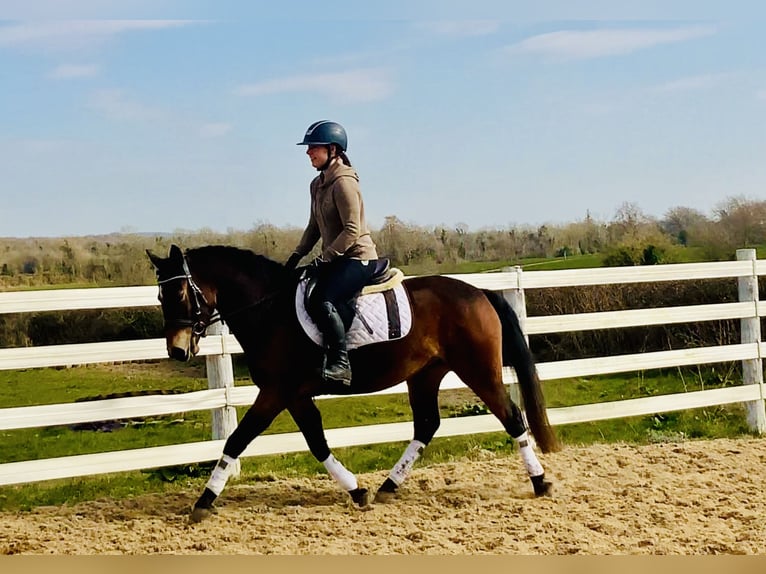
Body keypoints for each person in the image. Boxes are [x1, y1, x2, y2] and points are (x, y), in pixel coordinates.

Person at [285, 120, 379, 385]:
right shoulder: (317, 184)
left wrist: (323, 259)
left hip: (358, 258)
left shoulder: (344, 182)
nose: (308, 152)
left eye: (314, 147)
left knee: (321, 299)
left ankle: (340, 364)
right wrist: (295, 256)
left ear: (333, 149)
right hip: (338, 258)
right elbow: (314, 226)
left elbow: (352, 230)